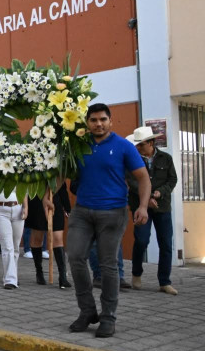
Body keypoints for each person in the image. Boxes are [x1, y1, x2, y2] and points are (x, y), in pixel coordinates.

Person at [51, 103, 150, 338]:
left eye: (103, 119)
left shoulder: (124, 146)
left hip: (112, 213)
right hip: (82, 212)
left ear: (110, 121)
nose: (98, 124)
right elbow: (62, 173)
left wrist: (143, 206)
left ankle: (108, 317)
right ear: (87, 122)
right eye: (93, 120)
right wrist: (49, 196)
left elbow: (143, 178)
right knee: (75, 258)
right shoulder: (78, 145)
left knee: (108, 266)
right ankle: (87, 311)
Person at [126, 126, 178, 295]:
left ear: (151, 143)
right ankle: (136, 273)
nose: (138, 148)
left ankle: (164, 281)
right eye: (137, 144)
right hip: (141, 206)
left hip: (162, 207)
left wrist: (160, 193)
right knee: (141, 240)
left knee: (166, 244)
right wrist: (146, 199)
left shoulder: (166, 158)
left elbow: (172, 179)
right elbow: (132, 182)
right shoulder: (132, 159)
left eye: (141, 144)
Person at [26, 183, 72, 288]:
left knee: (58, 238)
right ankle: (39, 272)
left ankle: (62, 276)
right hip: (37, 200)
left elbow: (62, 184)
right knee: (37, 238)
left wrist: (67, 207)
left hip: (55, 201)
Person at [0, 190, 27, 289]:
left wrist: (26, 207)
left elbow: (24, 189)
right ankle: (10, 280)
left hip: (18, 207)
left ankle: (12, 275)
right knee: (7, 246)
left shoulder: (19, 173)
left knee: (15, 246)